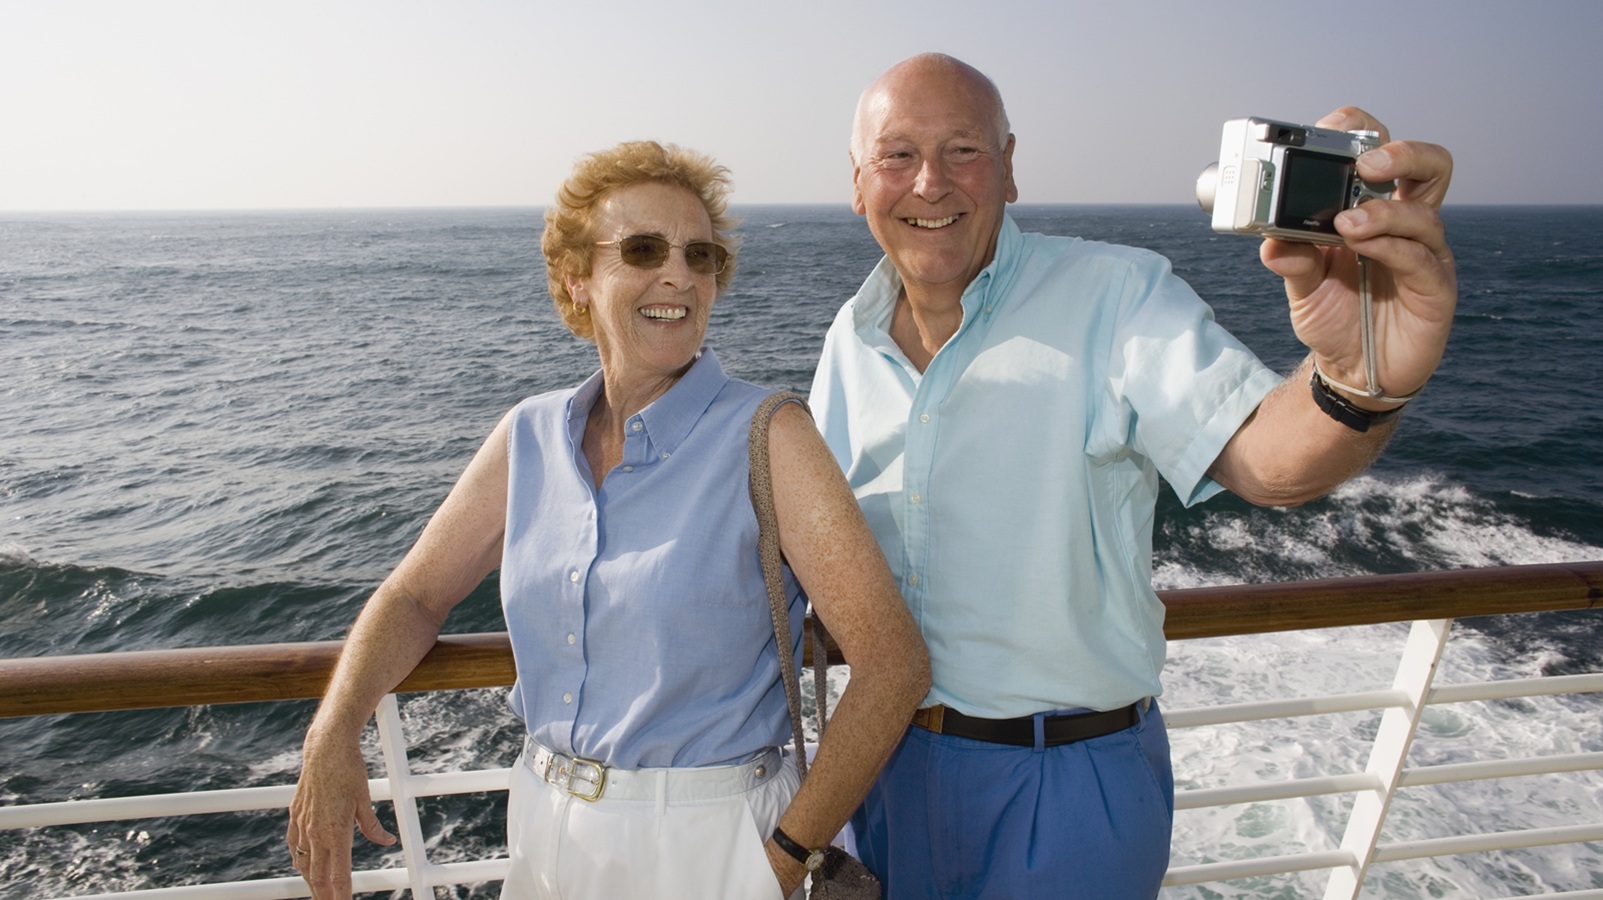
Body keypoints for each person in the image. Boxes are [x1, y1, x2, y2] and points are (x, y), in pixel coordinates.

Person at [808, 53, 1457, 898]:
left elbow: (1264, 460)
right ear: (858, 185)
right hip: (883, 772)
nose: (930, 182)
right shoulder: (844, 344)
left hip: (1068, 783)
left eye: (962, 149)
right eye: (896, 155)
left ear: (1008, 168)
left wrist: (1358, 377)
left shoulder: (1113, 295)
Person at [286, 140, 929, 900]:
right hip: (542, 826)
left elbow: (892, 662)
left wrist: (780, 860)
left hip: (707, 841)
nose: (678, 276)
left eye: (701, 256)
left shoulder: (768, 434)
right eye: (644, 249)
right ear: (577, 279)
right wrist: (334, 729)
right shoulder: (528, 436)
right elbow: (413, 598)